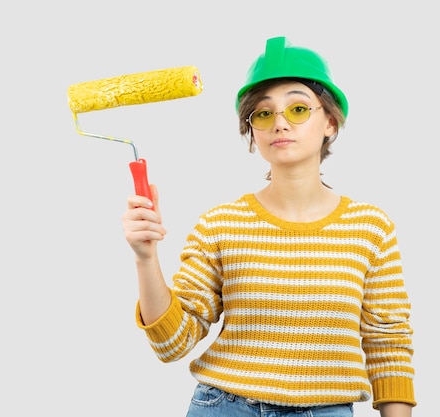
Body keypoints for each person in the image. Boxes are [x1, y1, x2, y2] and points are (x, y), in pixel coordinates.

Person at [121, 36, 416, 417]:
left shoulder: (371, 228)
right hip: (224, 407)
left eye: (297, 108)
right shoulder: (220, 224)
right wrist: (146, 258)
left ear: (329, 121)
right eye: (263, 113)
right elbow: (172, 345)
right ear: (252, 130)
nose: (279, 123)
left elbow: (388, 342)